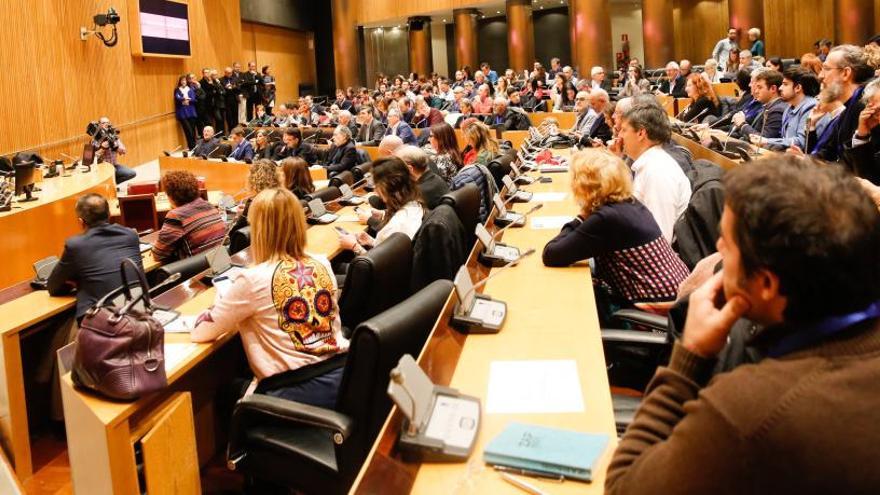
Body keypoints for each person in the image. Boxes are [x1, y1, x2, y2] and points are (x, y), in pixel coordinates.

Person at [605, 156, 880, 494]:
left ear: (765, 284)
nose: (717, 249)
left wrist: (688, 358)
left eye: (726, 244)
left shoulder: (750, 409)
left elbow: (624, 487)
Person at [191, 188, 348, 408]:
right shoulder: (322, 262)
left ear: (259, 230)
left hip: (296, 391)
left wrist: (224, 298)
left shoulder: (251, 279)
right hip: (341, 377)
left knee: (225, 393)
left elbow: (201, 333)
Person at [543, 150, 689, 317]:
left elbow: (552, 254)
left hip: (657, 311)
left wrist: (581, 217)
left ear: (583, 185)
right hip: (678, 297)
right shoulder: (630, 203)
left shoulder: (606, 218)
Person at [47, 193, 143, 320]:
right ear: (109, 215)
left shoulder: (76, 245)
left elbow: (53, 287)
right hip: (138, 314)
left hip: (103, 324)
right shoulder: (131, 235)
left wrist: (76, 281)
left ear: (81, 222)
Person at [618, 105, 691, 242]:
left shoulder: (658, 171)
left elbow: (660, 239)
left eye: (624, 130)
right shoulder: (650, 163)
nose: (620, 135)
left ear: (641, 133)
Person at [339, 157, 425, 255]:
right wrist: (371, 241)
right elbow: (388, 249)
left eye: (377, 185)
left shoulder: (397, 224)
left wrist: (354, 246)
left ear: (388, 186)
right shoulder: (415, 204)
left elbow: (380, 267)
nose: (375, 191)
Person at [812, 45, 875, 166]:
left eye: (826, 68)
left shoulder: (867, 107)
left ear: (846, 73)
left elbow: (853, 165)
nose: (820, 76)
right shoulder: (849, 107)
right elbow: (828, 151)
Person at [152, 170, 225, 263]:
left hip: (196, 272)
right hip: (218, 264)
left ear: (171, 195)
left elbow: (158, 254)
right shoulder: (209, 206)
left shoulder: (176, 216)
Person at [757, 66, 819, 151]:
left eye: (785, 84)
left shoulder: (811, 108)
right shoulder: (789, 107)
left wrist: (767, 141)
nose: (780, 88)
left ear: (798, 88)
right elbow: (785, 139)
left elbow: (802, 142)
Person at [452, 121, 498, 223]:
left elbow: (472, 178)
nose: (467, 141)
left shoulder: (481, 158)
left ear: (475, 139)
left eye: (469, 138)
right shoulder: (491, 146)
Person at [731, 70, 787, 140]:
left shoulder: (777, 110)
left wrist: (742, 124)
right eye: (756, 87)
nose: (756, 91)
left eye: (760, 87)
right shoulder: (767, 106)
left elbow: (763, 140)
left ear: (773, 89)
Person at [231, 159, 281, 232]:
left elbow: (235, 234)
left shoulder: (254, 202)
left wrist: (240, 216)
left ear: (253, 179)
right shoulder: (280, 196)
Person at [845, 78, 880, 183]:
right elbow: (866, 178)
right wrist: (862, 135)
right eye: (875, 112)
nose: (875, 116)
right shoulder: (874, 127)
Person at [174, 74, 199, 149]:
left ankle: (193, 145)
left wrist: (188, 100)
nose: (183, 82)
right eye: (182, 80)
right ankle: (191, 146)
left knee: (192, 129)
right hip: (182, 113)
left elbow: (194, 99)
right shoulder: (177, 89)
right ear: (180, 82)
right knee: (187, 129)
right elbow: (177, 98)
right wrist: (183, 100)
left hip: (191, 111)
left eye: (184, 80)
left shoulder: (191, 89)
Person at [220, 66, 241, 132]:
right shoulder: (221, 80)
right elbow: (221, 91)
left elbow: (239, 89)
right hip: (226, 101)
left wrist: (234, 87)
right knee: (229, 117)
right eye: (228, 73)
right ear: (225, 73)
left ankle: (236, 131)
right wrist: (226, 88)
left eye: (231, 73)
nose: (230, 74)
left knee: (235, 116)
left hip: (235, 100)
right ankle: (230, 131)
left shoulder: (235, 79)